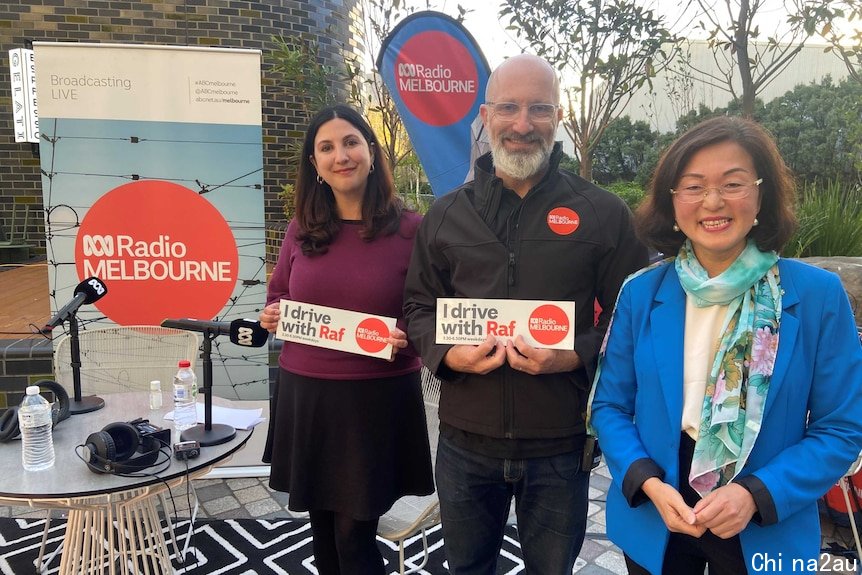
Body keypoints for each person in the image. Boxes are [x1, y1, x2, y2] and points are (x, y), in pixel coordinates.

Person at [403, 53, 648, 574]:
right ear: (486, 117)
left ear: (559, 117)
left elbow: (632, 318)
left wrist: (575, 355)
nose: (522, 124)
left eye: (538, 108)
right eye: (508, 108)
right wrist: (448, 354)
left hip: (561, 446)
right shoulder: (445, 216)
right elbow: (418, 307)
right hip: (465, 443)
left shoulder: (603, 213)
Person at [589, 116, 862, 574]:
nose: (712, 202)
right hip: (659, 509)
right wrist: (647, 482)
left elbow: (842, 428)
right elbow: (610, 405)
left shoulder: (815, 296)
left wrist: (756, 494)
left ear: (762, 194)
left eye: (732, 183)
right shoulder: (641, 292)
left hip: (764, 516)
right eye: (693, 186)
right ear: (672, 201)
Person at [259, 104, 433, 575]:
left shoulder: (413, 231)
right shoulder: (301, 229)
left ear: (372, 153)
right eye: (327, 147)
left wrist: (409, 339)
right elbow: (279, 292)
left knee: (354, 538)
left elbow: (432, 313)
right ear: (314, 165)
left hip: (374, 402)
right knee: (322, 533)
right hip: (308, 394)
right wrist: (274, 313)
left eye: (351, 142)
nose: (341, 155)